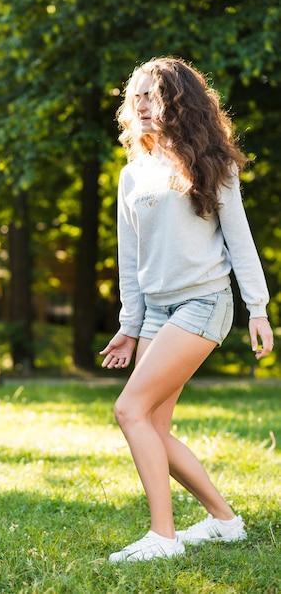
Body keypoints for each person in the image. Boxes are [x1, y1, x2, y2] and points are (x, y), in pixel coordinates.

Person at [100, 56, 274, 563]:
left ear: (179, 104)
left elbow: (240, 241)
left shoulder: (209, 164)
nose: (143, 104)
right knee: (152, 424)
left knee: (129, 410)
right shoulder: (131, 176)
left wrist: (257, 309)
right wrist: (129, 328)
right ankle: (226, 521)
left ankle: (163, 536)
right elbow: (129, 264)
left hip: (204, 302)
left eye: (154, 95)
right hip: (155, 311)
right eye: (137, 96)